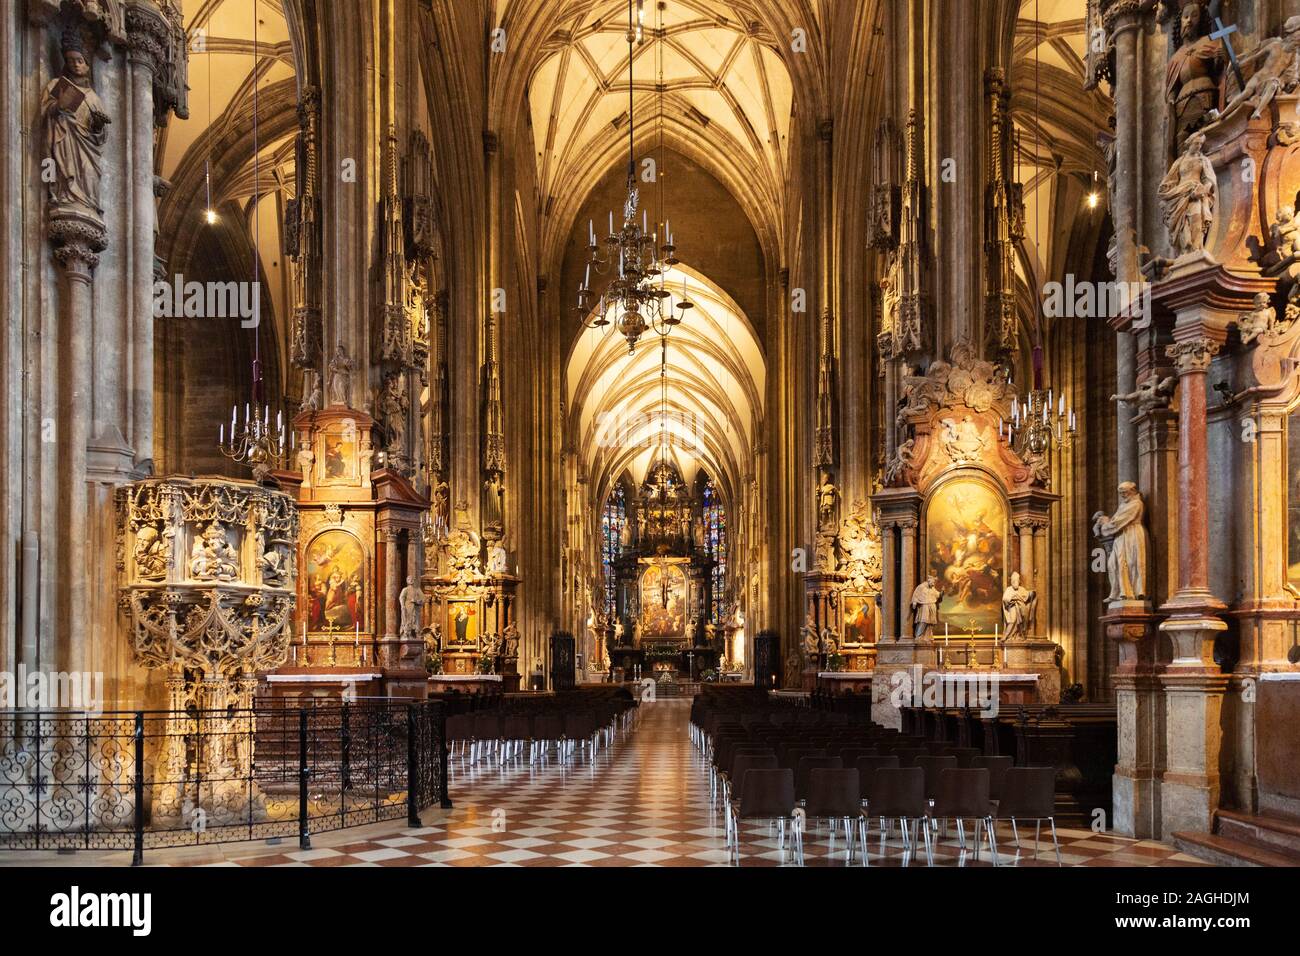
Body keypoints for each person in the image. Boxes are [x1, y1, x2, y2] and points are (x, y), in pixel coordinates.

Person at [1001, 571, 1037, 641]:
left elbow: (1027, 596)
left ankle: (1020, 634)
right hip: (1013, 606)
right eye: (1013, 581)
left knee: (1023, 620)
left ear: (1018, 581)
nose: (1015, 582)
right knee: (1012, 620)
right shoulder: (1009, 589)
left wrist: (1031, 593)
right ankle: (1006, 636)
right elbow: (1005, 599)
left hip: (1022, 607)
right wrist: (1013, 597)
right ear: (1012, 581)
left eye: (1017, 580)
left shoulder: (1021, 589)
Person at [909, 574, 942, 640]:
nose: (933, 585)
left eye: (934, 583)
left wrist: (942, 592)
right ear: (929, 581)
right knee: (923, 620)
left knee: (930, 622)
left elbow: (937, 595)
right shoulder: (921, 587)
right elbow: (916, 594)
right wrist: (914, 602)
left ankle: (928, 635)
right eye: (932, 583)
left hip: (932, 605)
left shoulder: (932, 588)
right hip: (924, 605)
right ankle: (919, 635)